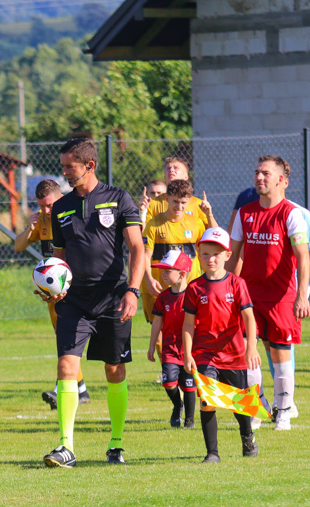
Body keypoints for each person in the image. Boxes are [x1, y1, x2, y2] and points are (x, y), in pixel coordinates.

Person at [41, 138, 144, 468]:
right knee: (66, 367)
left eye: (70, 166)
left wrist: (132, 290)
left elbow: (137, 249)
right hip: (74, 301)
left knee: (114, 371)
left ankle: (116, 444)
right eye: (63, 167)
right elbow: (58, 257)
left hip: (113, 297)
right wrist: (53, 286)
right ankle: (66, 447)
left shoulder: (118, 199)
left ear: (89, 166)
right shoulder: (60, 207)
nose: (65, 172)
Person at [228, 155, 310, 431]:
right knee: (247, 353)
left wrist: (302, 295)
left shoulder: (292, 214)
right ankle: (258, 407)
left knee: (279, 354)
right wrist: (225, 290)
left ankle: (284, 410)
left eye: (265, 173)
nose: (259, 177)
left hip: (281, 298)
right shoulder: (244, 213)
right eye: (257, 173)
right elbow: (233, 255)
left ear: (281, 180)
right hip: (248, 298)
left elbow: (303, 257)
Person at [183, 227, 260, 463]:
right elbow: (188, 325)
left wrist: (251, 347)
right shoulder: (194, 288)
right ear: (198, 254)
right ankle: (212, 453)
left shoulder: (237, 284)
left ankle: (247, 436)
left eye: (216, 254)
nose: (211, 259)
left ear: (228, 255)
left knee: (239, 404)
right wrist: (187, 354)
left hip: (234, 355)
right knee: (207, 401)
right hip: (205, 354)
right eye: (205, 254)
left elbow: (249, 317)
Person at [14, 179, 90, 409]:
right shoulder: (41, 219)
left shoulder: (72, 215)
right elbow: (18, 246)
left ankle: (61, 389)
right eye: (41, 205)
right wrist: (29, 227)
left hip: (75, 288)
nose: (46, 210)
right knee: (64, 338)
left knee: (68, 339)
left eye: (49, 205)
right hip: (53, 291)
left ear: (60, 198)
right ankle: (82, 389)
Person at [142, 179, 207, 324]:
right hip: (162, 290)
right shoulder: (154, 224)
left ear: (189, 201)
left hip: (189, 290)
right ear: (166, 199)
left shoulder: (196, 223)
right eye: (175, 201)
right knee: (161, 337)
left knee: (190, 334)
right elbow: (145, 255)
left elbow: (206, 252)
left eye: (183, 202)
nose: (179, 206)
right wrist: (149, 279)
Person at [146, 250, 196, 429]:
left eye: (168, 271)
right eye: (162, 270)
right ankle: (177, 405)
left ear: (182, 274)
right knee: (168, 382)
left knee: (189, 386)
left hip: (189, 350)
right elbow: (157, 322)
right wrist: (152, 345)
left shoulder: (193, 294)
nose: (163, 274)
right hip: (169, 349)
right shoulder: (163, 297)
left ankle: (189, 419)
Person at [145, 156, 217, 229]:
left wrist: (209, 215)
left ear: (186, 177)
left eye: (176, 168)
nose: (171, 170)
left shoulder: (198, 204)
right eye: (168, 168)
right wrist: (142, 212)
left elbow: (214, 233)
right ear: (164, 177)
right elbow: (144, 232)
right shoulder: (153, 203)